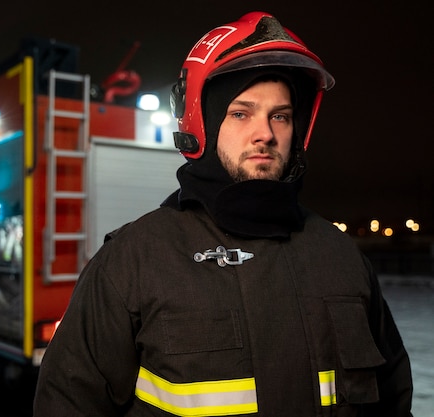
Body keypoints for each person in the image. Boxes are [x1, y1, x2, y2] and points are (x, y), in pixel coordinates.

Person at [32, 11, 413, 417]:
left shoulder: (342, 259)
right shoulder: (131, 264)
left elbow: (393, 400)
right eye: (241, 113)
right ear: (204, 121)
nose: (265, 133)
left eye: (280, 116)